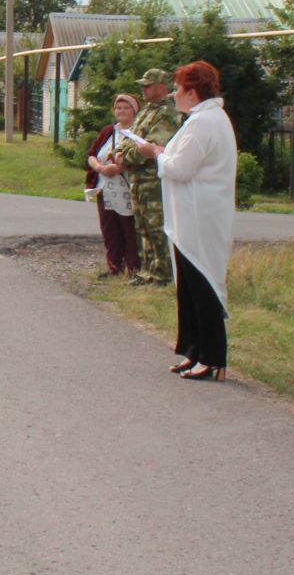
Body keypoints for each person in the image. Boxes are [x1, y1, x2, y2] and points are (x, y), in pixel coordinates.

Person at [134, 61, 237, 382]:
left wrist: (155, 154)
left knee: (202, 284)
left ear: (193, 93)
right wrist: (164, 151)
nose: (175, 95)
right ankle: (194, 351)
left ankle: (212, 357)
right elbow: (182, 158)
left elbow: (180, 169)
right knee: (189, 286)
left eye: (178, 90)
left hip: (199, 217)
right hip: (190, 217)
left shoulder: (204, 122)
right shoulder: (202, 119)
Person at [83, 93, 142, 281]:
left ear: (134, 110)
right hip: (105, 188)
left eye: (125, 107)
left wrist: (117, 168)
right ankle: (114, 267)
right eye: (118, 108)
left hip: (128, 190)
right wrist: (100, 168)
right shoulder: (108, 131)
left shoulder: (138, 132)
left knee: (129, 230)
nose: (121, 111)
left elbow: (140, 157)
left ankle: (133, 269)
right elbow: (92, 154)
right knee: (109, 229)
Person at [131, 67, 181, 284]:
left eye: (147, 85)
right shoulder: (147, 110)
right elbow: (131, 138)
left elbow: (153, 145)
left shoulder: (168, 112)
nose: (143, 89)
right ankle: (147, 270)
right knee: (142, 225)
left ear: (161, 88)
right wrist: (121, 153)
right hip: (138, 178)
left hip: (153, 177)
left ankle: (162, 273)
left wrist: (127, 156)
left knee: (156, 225)